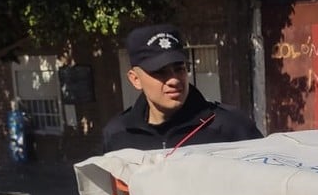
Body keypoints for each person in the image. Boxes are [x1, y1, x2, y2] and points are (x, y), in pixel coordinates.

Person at [102, 24, 263, 152]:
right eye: (160, 72)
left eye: (179, 68)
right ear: (135, 79)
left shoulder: (231, 126)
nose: (174, 80)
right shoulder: (117, 134)